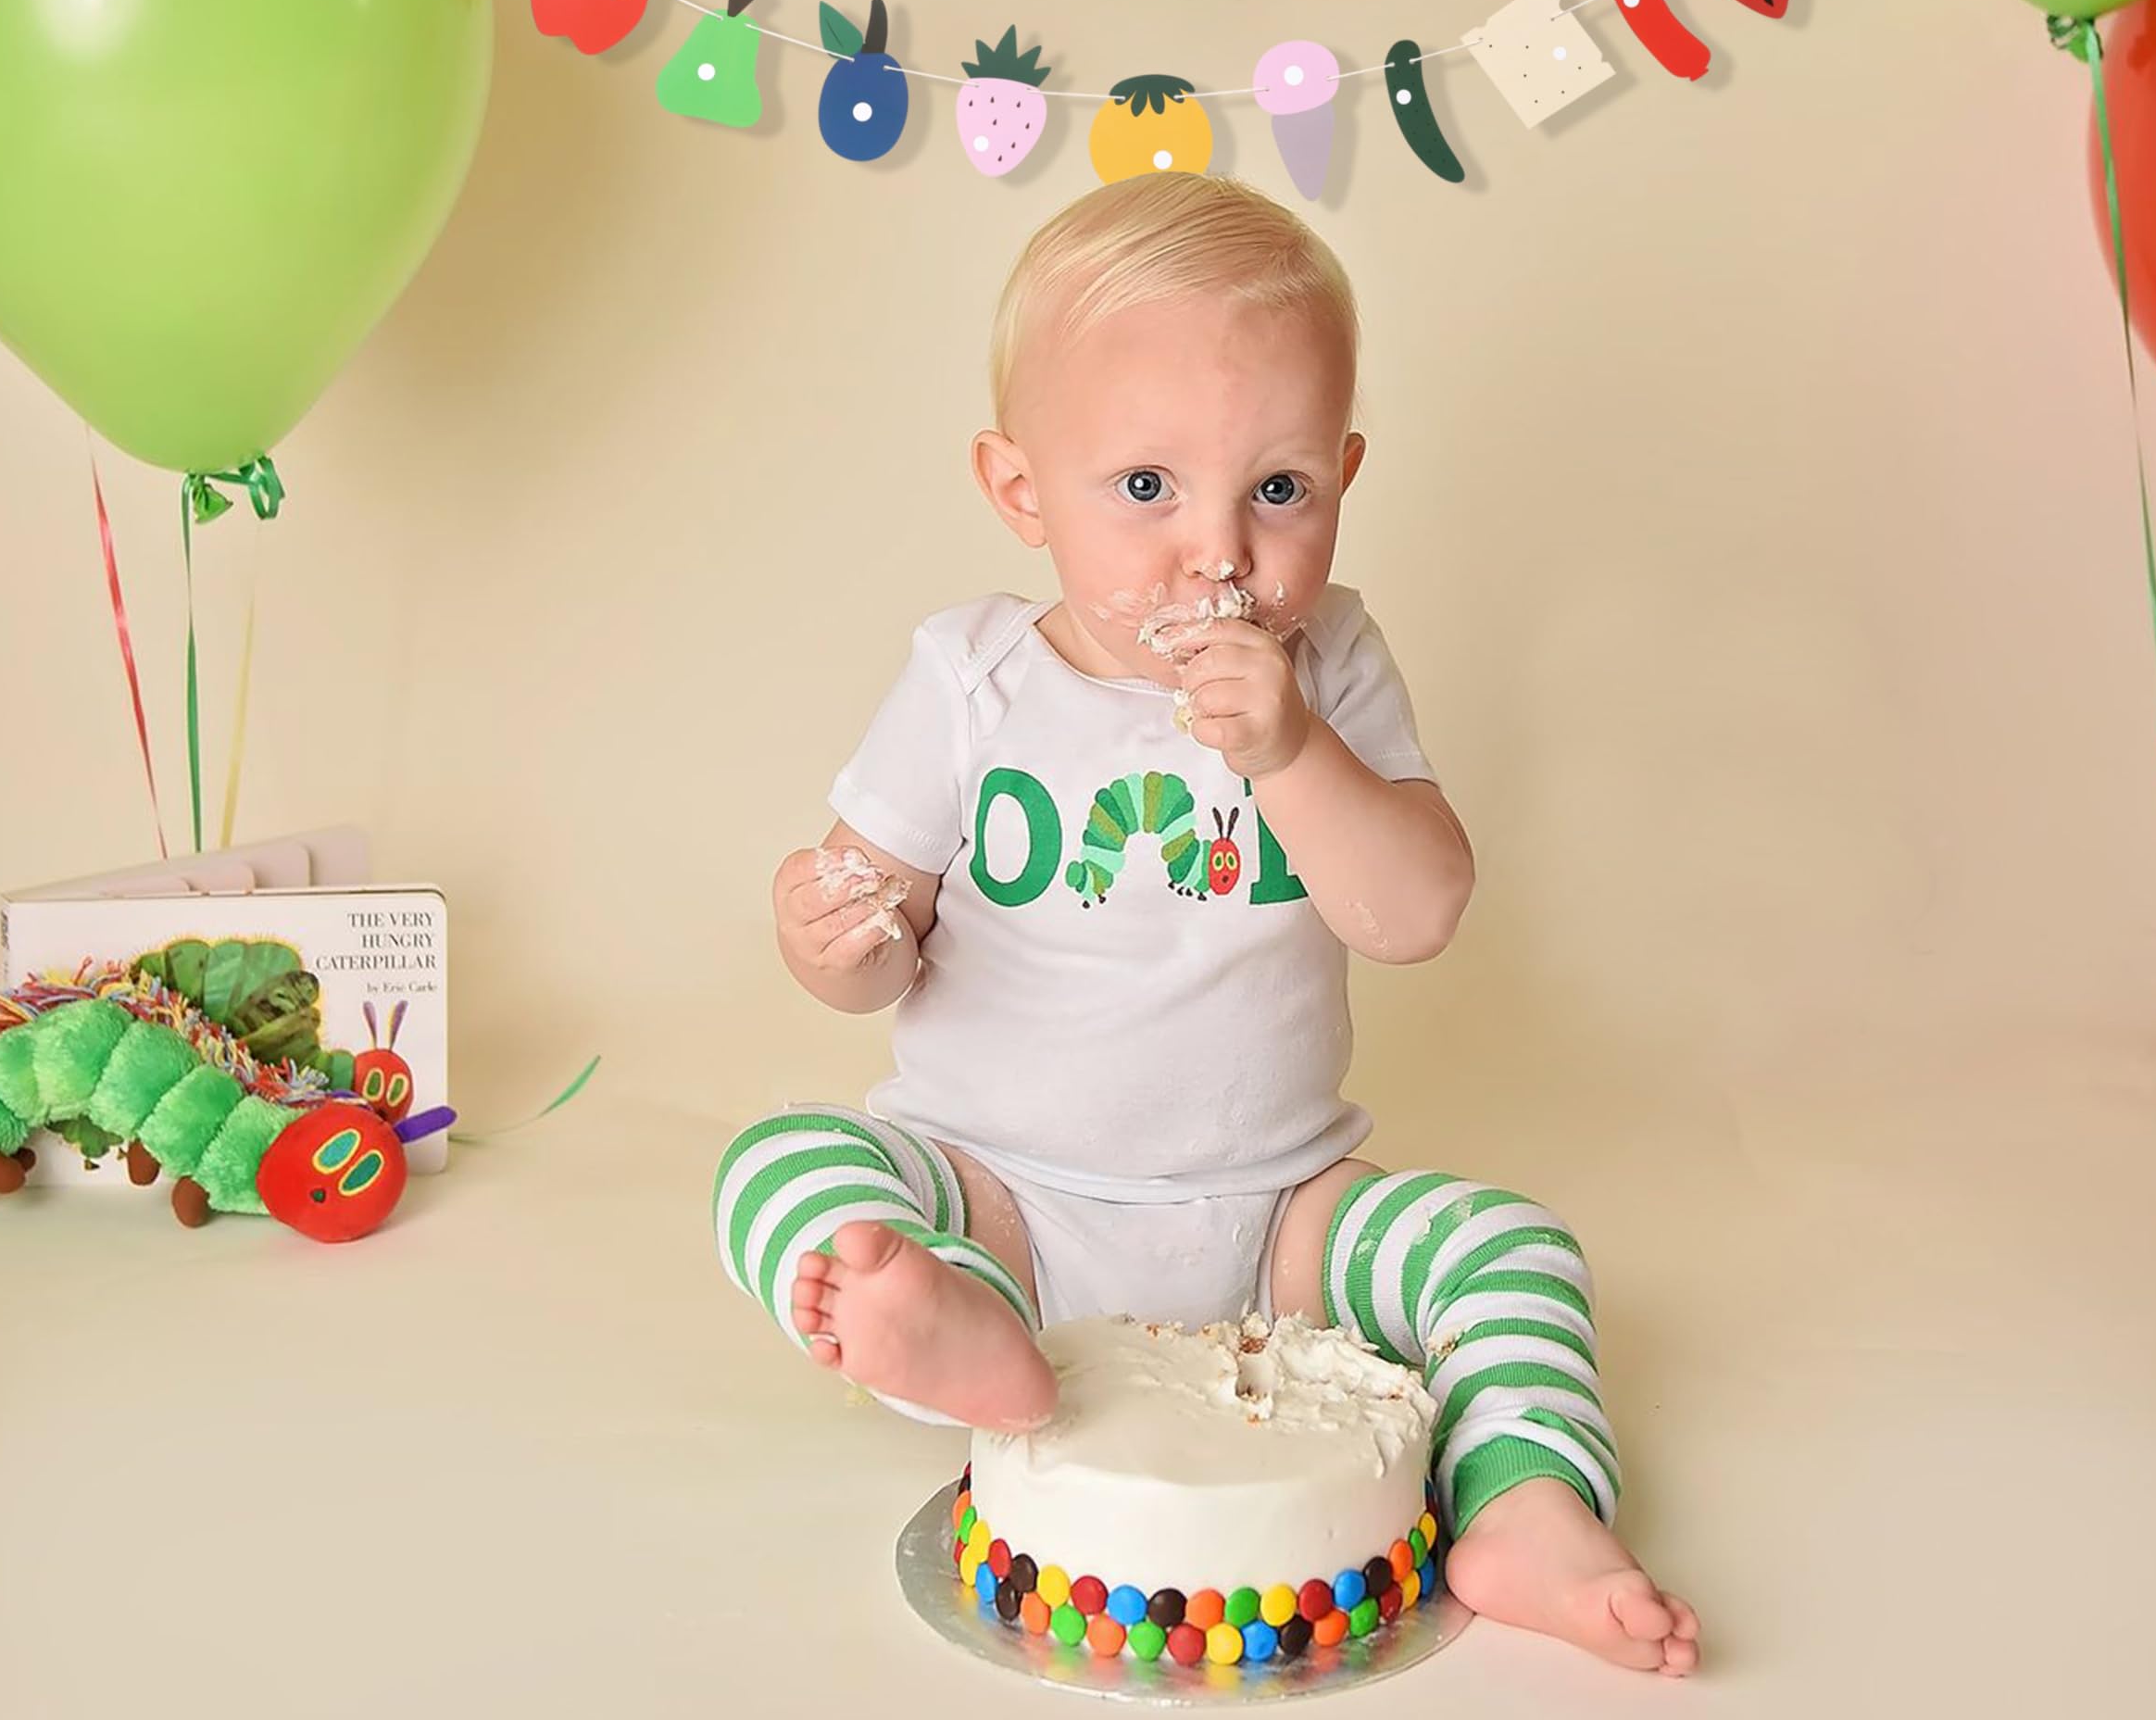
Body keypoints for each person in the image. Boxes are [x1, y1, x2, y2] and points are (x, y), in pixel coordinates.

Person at [715, 172, 1698, 1676]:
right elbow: (874, 944)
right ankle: (965, 1330)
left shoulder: (1335, 661)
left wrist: (1295, 750)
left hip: (1275, 1228)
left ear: (1347, 475)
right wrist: (831, 940)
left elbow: (1417, 912)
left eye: (1280, 490)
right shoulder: (973, 683)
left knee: (1510, 1246)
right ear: (1021, 489)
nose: (1219, 554)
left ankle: (1528, 1505)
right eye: (1147, 490)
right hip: (1007, 1196)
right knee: (782, 1165)